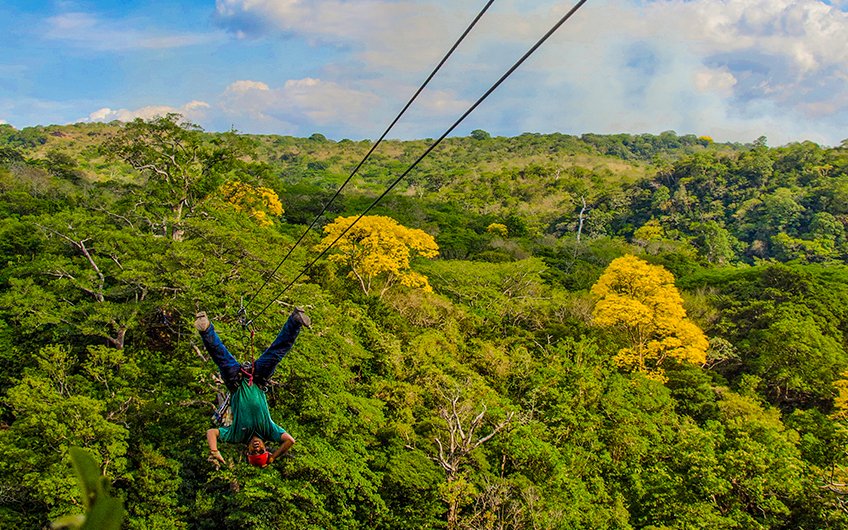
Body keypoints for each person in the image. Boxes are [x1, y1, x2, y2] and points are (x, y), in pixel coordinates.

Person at [195, 307, 310, 468]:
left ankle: (205, 328)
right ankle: (295, 320)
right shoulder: (270, 431)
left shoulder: (236, 436)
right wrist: (273, 457)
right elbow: (290, 441)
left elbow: (211, 432)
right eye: (261, 451)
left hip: (235, 382)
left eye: (254, 452)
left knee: (221, 357)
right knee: (276, 354)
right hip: (258, 379)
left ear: (247, 451)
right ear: (266, 448)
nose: (257, 449)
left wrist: (214, 451)